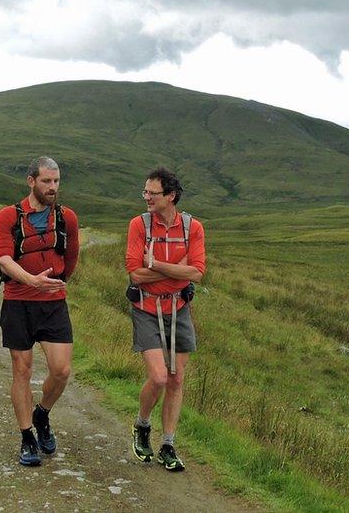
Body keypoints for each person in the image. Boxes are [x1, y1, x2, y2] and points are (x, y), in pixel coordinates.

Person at [0, 156, 80, 466]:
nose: (53, 187)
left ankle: (41, 414)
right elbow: (4, 259)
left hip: (53, 303)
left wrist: (56, 282)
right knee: (22, 369)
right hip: (18, 301)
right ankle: (27, 437)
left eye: (56, 181)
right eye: (47, 181)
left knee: (61, 370)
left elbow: (71, 256)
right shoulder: (8, 216)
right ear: (31, 181)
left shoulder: (67, 217)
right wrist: (32, 280)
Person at [125, 168, 205, 472]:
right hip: (146, 308)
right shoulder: (139, 225)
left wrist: (156, 263)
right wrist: (177, 268)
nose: (146, 197)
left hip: (179, 308)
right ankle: (142, 425)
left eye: (152, 193)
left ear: (170, 196)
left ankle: (168, 444)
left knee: (176, 379)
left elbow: (197, 272)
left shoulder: (192, 227)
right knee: (159, 376)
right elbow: (136, 274)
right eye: (144, 192)